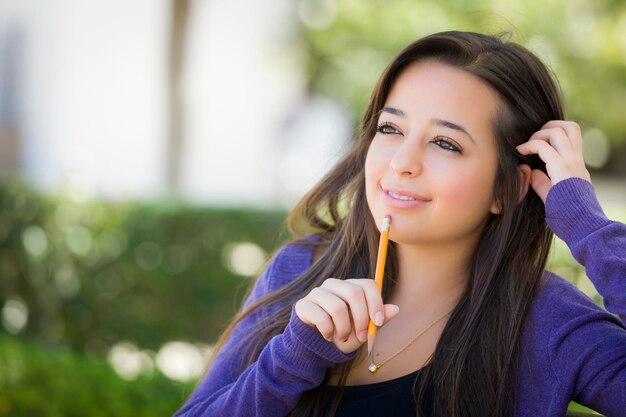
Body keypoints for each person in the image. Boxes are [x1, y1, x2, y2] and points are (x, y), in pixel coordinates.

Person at [173, 31, 626, 417]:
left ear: (506, 189)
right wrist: (291, 360)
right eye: (391, 130)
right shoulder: (299, 272)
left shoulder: (549, 322)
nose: (403, 162)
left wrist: (587, 226)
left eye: (446, 143)